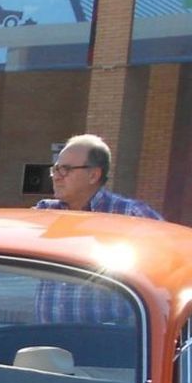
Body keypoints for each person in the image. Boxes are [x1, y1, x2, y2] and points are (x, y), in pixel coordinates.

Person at [33, 134, 162, 323]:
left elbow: (170, 263)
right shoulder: (45, 213)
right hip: (46, 335)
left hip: (105, 335)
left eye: (65, 169)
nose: (57, 177)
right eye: (55, 169)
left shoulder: (130, 214)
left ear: (94, 175)